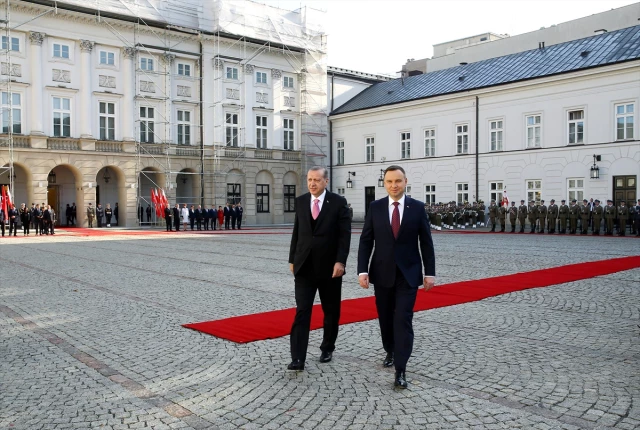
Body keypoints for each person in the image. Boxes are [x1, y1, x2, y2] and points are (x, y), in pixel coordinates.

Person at [357, 165, 435, 389]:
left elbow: (426, 243)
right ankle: (389, 349)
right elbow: (366, 241)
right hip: (381, 274)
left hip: (408, 275)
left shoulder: (417, 208)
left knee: (403, 319)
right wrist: (362, 271)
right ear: (385, 183)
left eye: (398, 181)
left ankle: (401, 370)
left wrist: (429, 273)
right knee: (385, 318)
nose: (394, 185)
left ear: (405, 181)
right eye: (390, 181)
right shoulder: (376, 207)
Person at [287, 166, 351, 372]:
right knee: (302, 311)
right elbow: (297, 232)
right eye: (309, 180)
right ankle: (298, 358)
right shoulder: (301, 201)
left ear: (326, 181)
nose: (312, 183)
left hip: (330, 267)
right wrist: (292, 259)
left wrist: (341, 261)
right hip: (304, 266)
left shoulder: (339, 203)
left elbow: (344, 236)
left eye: (316, 180)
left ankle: (327, 347)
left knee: (330, 310)